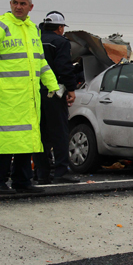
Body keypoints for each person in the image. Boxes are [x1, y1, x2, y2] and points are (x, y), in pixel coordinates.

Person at [0, 0, 60, 194]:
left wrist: (53, 86)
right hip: (8, 95)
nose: (18, 6)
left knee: (27, 139)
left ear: (31, 7)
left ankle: (22, 181)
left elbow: (40, 62)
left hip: (29, 96)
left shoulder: (31, 29)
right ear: (10, 4)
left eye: (22, 3)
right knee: (6, 139)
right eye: (15, 2)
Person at [33, 11, 80, 184]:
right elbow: (64, 67)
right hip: (54, 92)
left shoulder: (35, 40)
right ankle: (61, 171)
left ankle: (41, 173)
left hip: (35, 93)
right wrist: (71, 88)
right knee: (60, 132)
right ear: (60, 28)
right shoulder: (60, 42)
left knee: (40, 134)